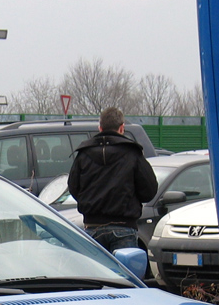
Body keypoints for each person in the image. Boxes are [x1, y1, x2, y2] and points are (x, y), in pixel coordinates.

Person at [67, 106, 158, 251]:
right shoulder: (133, 154)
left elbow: (73, 187)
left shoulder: (83, 154)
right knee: (123, 273)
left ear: (100, 128)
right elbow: (149, 190)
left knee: (96, 273)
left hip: (92, 227)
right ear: (122, 128)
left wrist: (91, 203)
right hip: (124, 227)